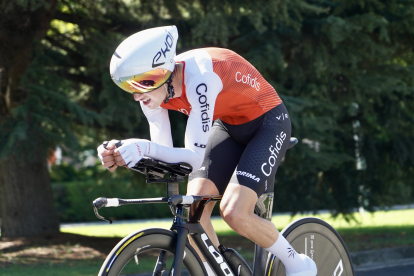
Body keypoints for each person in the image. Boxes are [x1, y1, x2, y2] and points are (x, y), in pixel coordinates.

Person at [98, 25, 317, 276]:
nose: (137, 95)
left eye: (141, 83)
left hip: (268, 123)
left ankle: (299, 265)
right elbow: (165, 155)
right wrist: (124, 154)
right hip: (228, 125)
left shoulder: (201, 78)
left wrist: (142, 147)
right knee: (193, 214)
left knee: (235, 212)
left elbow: (192, 158)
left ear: (163, 72)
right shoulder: (153, 92)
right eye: (129, 86)